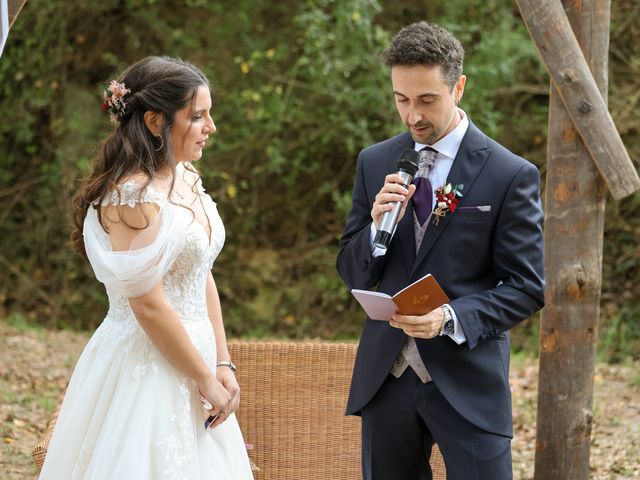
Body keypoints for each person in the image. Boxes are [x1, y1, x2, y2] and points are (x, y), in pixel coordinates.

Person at [336, 21, 545, 480]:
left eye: (427, 100)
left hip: (468, 381)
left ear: (459, 87)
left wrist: (448, 319)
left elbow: (527, 288)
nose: (413, 116)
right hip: (385, 379)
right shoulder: (374, 162)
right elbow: (352, 272)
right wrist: (374, 228)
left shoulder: (510, 174)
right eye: (401, 100)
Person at [39, 56, 254, 479]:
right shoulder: (129, 198)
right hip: (145, 362)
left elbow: (200, 268)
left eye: (209, 114)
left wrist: (222, 363)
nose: (211, 127)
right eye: (197, 117)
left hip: (199, 355)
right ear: (156, 121)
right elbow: (148, 306)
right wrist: (204, 380)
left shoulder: (187, 176)